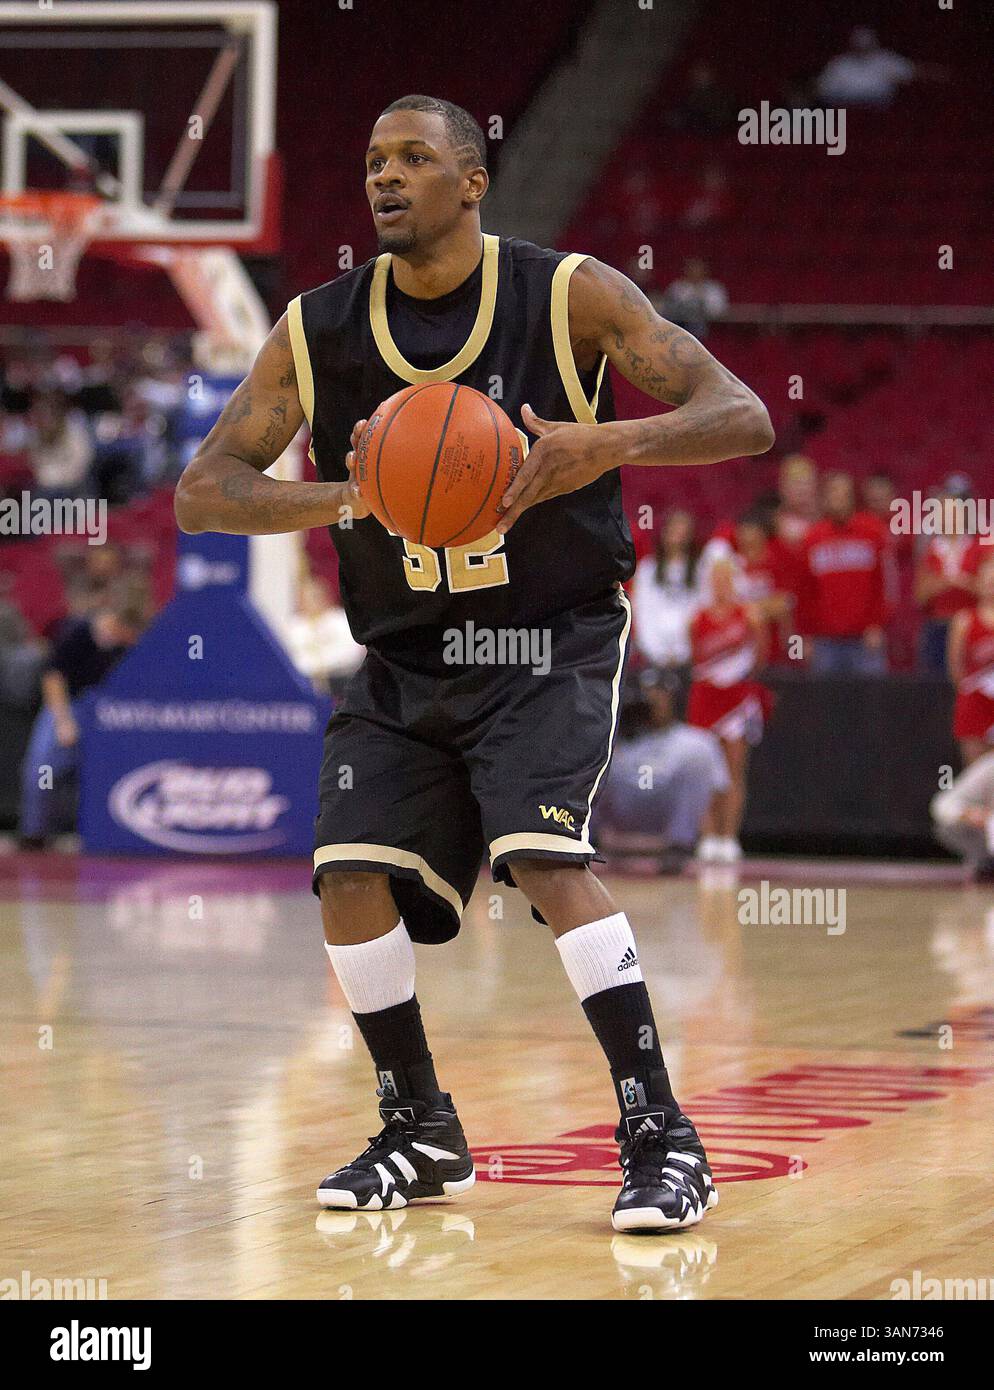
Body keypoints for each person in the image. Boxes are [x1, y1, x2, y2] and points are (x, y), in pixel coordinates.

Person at [174, 94, 773, 1234]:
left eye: (412, 159)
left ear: (473, 181)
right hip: (405, 653)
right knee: (347, 876)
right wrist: (349, 493)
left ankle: (660, 1133)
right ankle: (420, 1125)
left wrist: (606, 439)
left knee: (546, 857)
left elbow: (738, 414)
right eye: (370, 160)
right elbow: (204, 492)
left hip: (546, 637)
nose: (384, 178)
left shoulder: (568, 293)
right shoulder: (319, 327)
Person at [18, 598, 144, 847]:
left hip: (106, 712)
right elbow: (53, 678)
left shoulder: (128, 645)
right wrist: (63, 721)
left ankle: (106, 835)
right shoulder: (78, 632)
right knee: (43, 769)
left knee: (108, 772)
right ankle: (35, 834)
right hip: (68, 706)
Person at [594, 669, 730, 872]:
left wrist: (715, 835)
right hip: (623, 807)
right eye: (649, 692)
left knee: (699, 755)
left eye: (661, 693)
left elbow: (720, 791)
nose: (654, 699)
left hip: (666, 811)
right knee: (593, 755)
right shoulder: (616, 737)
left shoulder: (695, 741)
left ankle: (679, 846)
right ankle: (587, 841)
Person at [686, 558, 771, 863]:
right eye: (716, 578)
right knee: (705, 771)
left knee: (735, 770)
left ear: (735, 581)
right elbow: (695, 659)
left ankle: (729, 837)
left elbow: (761, 659)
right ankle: (708, 837)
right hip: (706, 698)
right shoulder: (697, 619)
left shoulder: (749, 616)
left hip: (737, 699)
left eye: (727, 578)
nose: (721, 584)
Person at [803, 471, 889, 675]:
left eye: (843, 494)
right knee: (825, 702)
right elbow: (805, 591)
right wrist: (805, 635)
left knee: (870, 702)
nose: (838, 499)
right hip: (824, 640)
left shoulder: (873, 532)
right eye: (833, 494)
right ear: (825, 498)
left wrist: (877, 624)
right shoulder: (813, 538)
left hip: (866, 637)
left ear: (852, 497)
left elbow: (883, 584)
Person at [630, 509, 701, 670]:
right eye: (674, 530)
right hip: (653, 654)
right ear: (664, 533)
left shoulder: (699, 569)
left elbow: (699, 611)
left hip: (690, 655)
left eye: (683, 532)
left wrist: (684, 651)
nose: (678, 538)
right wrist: (658, 653)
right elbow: (642, 613)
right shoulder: (647, 569)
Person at [947, 556, 994, 768]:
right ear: (979, 583)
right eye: (988, 580)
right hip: (975, 703)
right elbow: (956, 668)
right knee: (975, 773)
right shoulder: (964, 620)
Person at [286, 574, 365, 697]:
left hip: (340, 678)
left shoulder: (341, 620)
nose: (311, 602)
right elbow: (289, 655)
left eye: (314, 597)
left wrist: (324, 665)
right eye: (305, 598)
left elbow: (352, 652)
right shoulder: (294, 626)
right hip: (303, 680)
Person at [931, 749, 994, 881]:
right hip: (988, 840)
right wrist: (970, 813)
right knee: (949, 826)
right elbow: (943, 803)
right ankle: (985, 865)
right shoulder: (989, 765)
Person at [816, 27, 918, 109]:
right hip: (846, 104)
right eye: (859, 46)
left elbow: (910, 74)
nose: (862, 49)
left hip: (878, 104)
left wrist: (896, 79)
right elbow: (824, 86)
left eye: (866, 46)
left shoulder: (887, 59)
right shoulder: (840, 63)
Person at [661, 258, 728, 341]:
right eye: (692, 269)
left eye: (698, 269)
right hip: (680, 326)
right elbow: (669, 309)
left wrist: (701, 302)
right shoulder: (677, 287)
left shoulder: (713, 288)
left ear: (705, 271)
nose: (695, 272)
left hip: (706, 326)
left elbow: (718, 311)